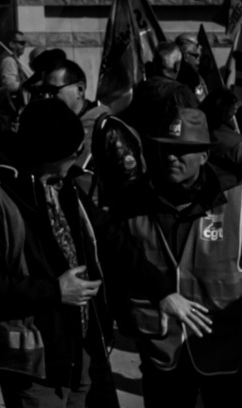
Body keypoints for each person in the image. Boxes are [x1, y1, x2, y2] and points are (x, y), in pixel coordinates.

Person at [0, 98, 115, 408]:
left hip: (79, 348)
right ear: (48, 156)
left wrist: (164, 291)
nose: (76, 160)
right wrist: (55, 291)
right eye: (73, 154)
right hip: (34, 360)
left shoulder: (65, 185)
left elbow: (110, 237)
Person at [102, 106, 242, 407]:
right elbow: (115, 266)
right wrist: (125, 320)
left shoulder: (237, 200)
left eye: (181, 150)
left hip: (225, 348)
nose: (170, 157)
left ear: (204, 156)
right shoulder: (130, 200)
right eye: (165, 148)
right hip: (160, 347)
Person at [35, 59, 109, 172]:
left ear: (80, 90)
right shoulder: (51, 124)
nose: (46, 97)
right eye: (43, 91)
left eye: (53, 91)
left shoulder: (103, 128)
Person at [127, 42, 198, 136]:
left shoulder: (140, 89)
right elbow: (195, 126)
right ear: (177, 66)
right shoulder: (180, 93)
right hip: (170, 148)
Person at [205, 88, 242, 184]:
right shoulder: (236, 142)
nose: (236, 108)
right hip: (229, 188)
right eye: (234, 107)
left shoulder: (198, 129)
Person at [175, 33, 208, 102]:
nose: (198, 62)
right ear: (186, 56)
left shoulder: (197, 76)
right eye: (196, 56)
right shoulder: (193, 78)